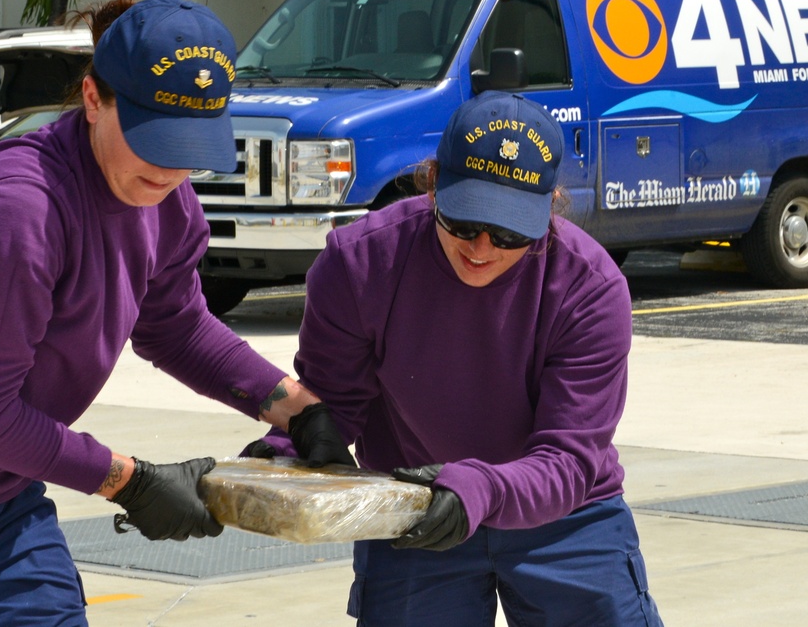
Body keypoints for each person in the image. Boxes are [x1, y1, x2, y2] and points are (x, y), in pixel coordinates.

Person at [0, 0, 349, 626]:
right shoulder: (21, 213)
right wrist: (133, 482)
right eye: (154, 138)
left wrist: (295, 407)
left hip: (2, 496)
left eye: (192, 144)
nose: (173, 168)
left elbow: (174, 326)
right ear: (93, 98)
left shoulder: (163, 198)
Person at [247, 92, 664, 626]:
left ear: (551, 202)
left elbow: (570, 458)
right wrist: (287, 449)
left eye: (511, 232)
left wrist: (481, 489)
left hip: (563, 514)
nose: (482, 248)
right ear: (432, 181)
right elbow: (334, 404)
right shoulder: (359, 264)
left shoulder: (589, 286)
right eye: (463, 222)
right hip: (417, 506)